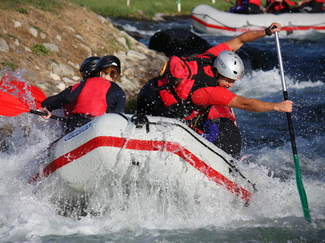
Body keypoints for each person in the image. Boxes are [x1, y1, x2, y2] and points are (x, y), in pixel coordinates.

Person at [137, 22, 293, 158]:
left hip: (150, 90)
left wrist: (266, 32)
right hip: (158, 108)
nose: (230, 85)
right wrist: (276, 106)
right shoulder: (208, 91)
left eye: (233, 81)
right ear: (218, 71)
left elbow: (240, 40)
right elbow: (245, 104)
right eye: (228, 80)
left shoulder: (211, 56)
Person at [40, 55, 126, 133]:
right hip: (98, 128)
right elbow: (118, 118)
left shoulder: (85, 84)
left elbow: (68, 98)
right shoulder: (120, 92)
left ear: (100, 73)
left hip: (76, 124)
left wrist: (49, 108)